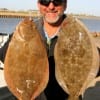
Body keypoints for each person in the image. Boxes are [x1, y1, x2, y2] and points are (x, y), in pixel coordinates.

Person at [0, 0, 100, 100]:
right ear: (39, 5)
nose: (51, 6)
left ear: (65, 5)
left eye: (57, 1)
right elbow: (4, 56)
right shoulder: (30, 29)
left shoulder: (79, 34)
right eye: (45, 1)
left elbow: (95, 66)